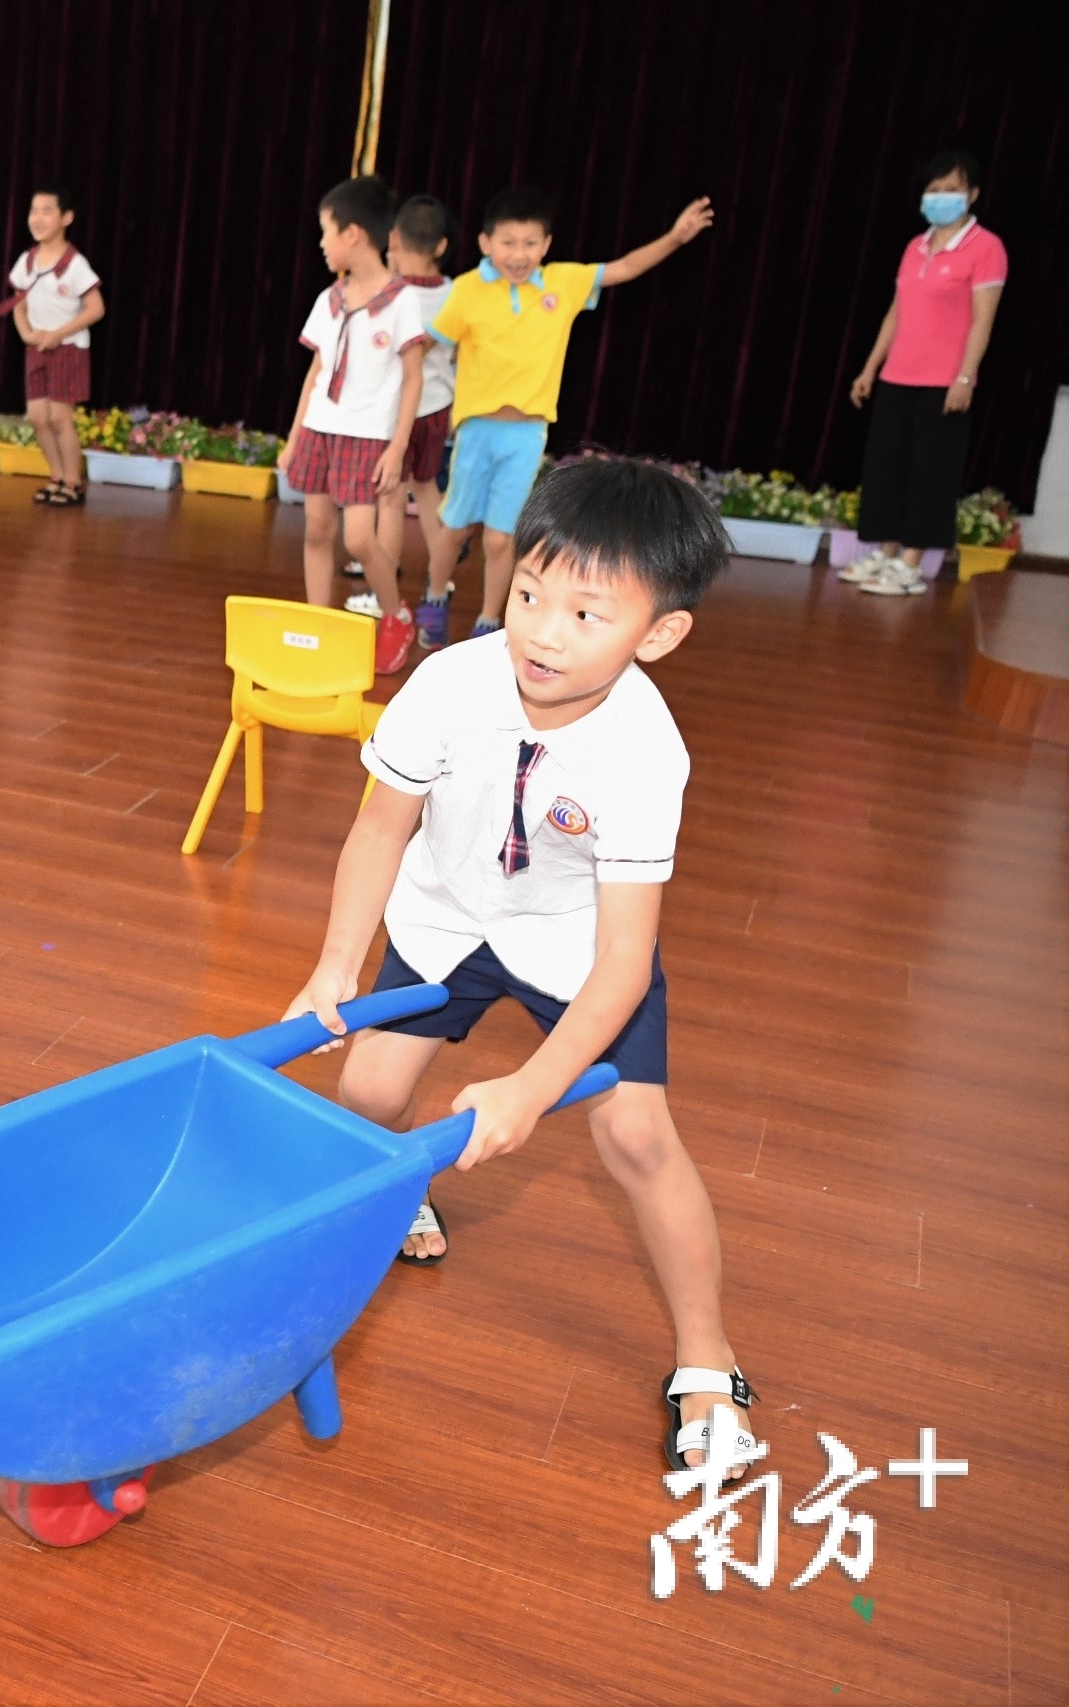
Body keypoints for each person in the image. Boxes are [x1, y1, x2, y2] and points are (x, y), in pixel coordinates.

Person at [284, 456, 756, 1477]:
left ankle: (706, 1361)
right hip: (446, 916)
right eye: (532, 593)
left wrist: (533, 1088)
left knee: (633, 1134)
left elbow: (625, 958)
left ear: (659, 634)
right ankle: (405, 1189)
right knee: (364, 1094)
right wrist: (333, 968)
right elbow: (376, 834)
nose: (540, 632)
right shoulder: (447, 681)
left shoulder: (645, 751)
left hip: (571, 946)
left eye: (587, 616)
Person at [430, 186, 713, 637]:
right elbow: (432, 344)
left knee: (502, 537)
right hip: (476, 432)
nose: (518, 254)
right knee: (456, 529)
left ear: (546, 245)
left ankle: (487, 622)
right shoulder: (467, 289)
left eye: (529, 243)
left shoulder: (561, 282)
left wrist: (676, 237)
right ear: (486, 243)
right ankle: (434, 597)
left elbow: (624, 268)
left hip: (526, 436)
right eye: (507, 242)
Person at [845, 150, 1007, 597]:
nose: (941, 198)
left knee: (930, 471)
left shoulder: (986, 247)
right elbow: (897, 311)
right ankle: (886, 551)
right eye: (933, 190)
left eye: (952, 189)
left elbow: (983, 319)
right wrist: (870, 367)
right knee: (887, 466)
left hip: (943, 381)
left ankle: (912, 564)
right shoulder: (915, 246)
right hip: (900, 375)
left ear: (973, 194)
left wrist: (965, 377)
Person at [283, 176, 427, 676]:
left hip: (368, 436)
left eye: (326, 231)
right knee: (317, 530)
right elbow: (317, 370)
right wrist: (296, 434)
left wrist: (397, 446)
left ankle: (396, 614)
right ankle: (319, 626)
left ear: (354, 234)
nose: (321, 243)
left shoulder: (402, 301)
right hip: (321, 428)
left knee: (359, 539)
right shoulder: (329, 299)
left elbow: (413, 379)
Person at [346, 194, 466, 652]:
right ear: (442, 245)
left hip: (396, 411)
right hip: (438, 407)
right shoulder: (455, 292)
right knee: (430, 492)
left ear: (392, 239)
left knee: (391, 502)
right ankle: (440, 580)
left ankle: (384, 594)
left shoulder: (391, 292)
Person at [6, 186, 102, 506]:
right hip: (37, 346)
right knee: (37, 416)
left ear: (66, 218)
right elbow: (18, 301)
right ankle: (57, 476)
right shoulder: (27, 259)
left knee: (60, 417)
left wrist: (59, 333)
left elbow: (95, 308)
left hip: (68, 348)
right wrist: (25, 333)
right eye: (34, 210)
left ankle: (74, 483)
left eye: (47, 211)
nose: (37, 218)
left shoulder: (75, 264)